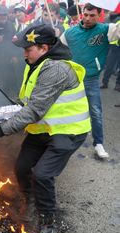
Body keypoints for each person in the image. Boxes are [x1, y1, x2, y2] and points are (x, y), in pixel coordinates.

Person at [0, 24, 91, 233]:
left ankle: (47, 225)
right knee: (22, 167)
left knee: (42, 174)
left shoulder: (56, 70)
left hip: (68, 132)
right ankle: (31, 201)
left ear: (44, 47)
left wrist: (2, 130)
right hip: (43, 130)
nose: (23, 53)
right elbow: (26, 101)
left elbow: (34, 110)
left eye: (28, 49)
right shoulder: (34, 64)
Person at [60, 3, 120, 159]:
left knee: (96, 112)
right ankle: (64, 142)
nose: (87, 18)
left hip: (91, 79)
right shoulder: (70, 33)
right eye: (85, 14)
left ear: (99, 15)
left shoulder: (107, 29)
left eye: (92, 15)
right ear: (82, 13)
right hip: (72, 80)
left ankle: (98, 143)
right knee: (67, 110)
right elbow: (58, 52)